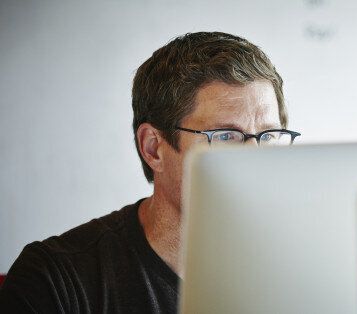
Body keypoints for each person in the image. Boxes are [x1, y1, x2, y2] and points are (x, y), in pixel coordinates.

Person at [0, 31, 300, 313]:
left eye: (268, 136)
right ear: (153, 148)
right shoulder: (56, 281)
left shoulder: (306, 268)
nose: (255, 160)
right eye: (225, 137)